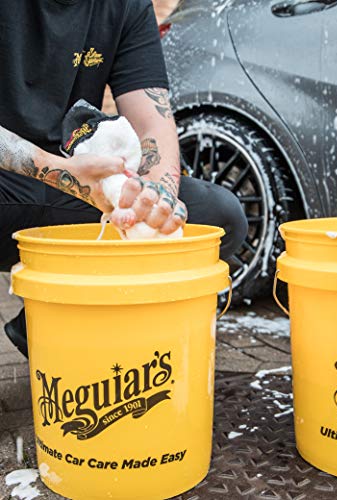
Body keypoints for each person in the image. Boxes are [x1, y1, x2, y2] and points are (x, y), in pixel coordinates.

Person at [0, 0, 248, 356]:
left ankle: (52, 327)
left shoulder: (126, 6)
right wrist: (56, 169)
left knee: (214, 216)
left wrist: (155, 198)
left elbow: (153, 122)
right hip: (19, 177)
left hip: (81, 181)